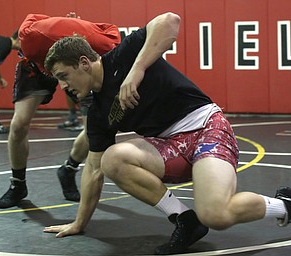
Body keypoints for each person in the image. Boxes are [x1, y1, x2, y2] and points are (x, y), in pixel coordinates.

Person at [43, 12, 291, 255]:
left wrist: (137, 69)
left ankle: (284, 205)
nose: (63, 86)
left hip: (207, 128)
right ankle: (185, 219)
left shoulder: (123, 56)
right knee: (111, 159)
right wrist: (79, 223)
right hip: (169, 146)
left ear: (84, 63)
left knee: (217, 215)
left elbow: (171, 20)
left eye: (64, 76)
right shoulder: (98, 113)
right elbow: (94, 170)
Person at [0, 13, 121, 209]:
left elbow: (110, 33)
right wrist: (58, 19)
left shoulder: (102, 44)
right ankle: (18, 184)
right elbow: (31, 18)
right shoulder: (32, 37)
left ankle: (68, 169)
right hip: (37, 65)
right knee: (18, 125)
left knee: (93, 129)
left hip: (76, 65)